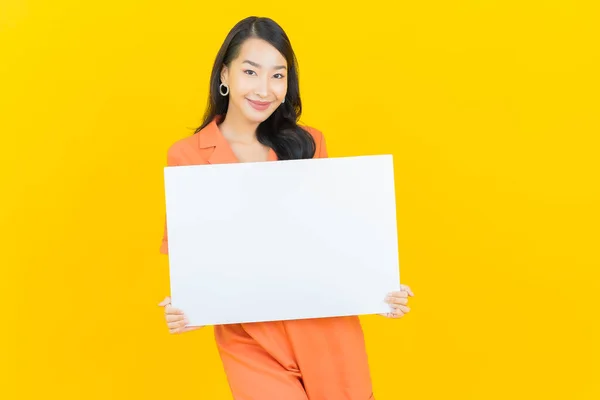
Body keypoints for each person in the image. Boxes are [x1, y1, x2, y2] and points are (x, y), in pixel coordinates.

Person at [157, 16, 414, 400]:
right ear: (224, 74)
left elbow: (334, 238)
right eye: (250, 71)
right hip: (250, 337)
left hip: (326, 329)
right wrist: (188, 303)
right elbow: (195, 256)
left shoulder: (308, 143)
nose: (265, 89)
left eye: (278, 76)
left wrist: (376, 286)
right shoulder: (188, 156)